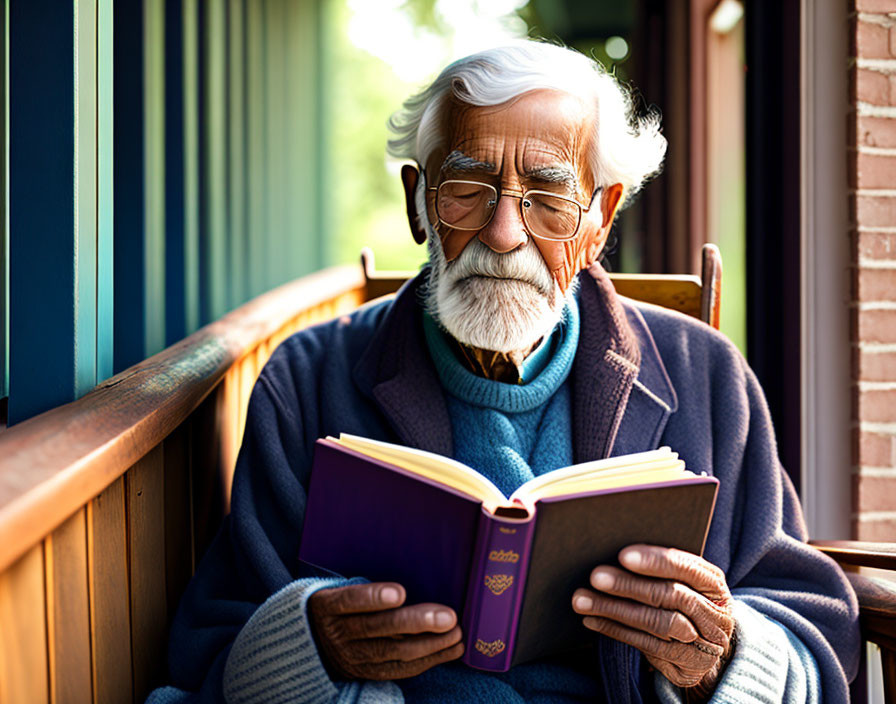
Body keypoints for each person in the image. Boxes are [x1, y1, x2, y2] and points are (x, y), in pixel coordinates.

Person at [150, 41, 859, 704]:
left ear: (599, 220)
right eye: (467, 186)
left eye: (548, 199)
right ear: (419, 201)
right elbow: (215, 646)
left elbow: (811, 626)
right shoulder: (306, 379)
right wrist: (311, 644)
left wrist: (719, 657)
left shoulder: (705, 374)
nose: (503, 234)